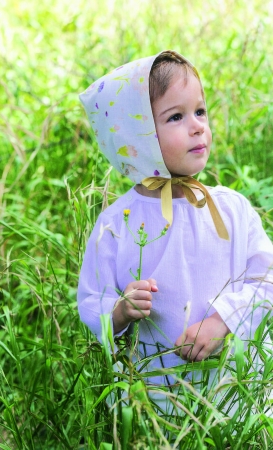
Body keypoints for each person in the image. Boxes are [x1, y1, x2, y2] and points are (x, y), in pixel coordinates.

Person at [77, 50, 273, 390]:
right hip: (154, 394)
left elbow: (266, 280)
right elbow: (92, 300)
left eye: (199, 111)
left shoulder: (231, 209)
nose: (197, 126)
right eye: (175, 117)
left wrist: (222, 320)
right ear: (138, 138)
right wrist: (121, 311)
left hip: (234, 388)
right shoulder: (116, 224)